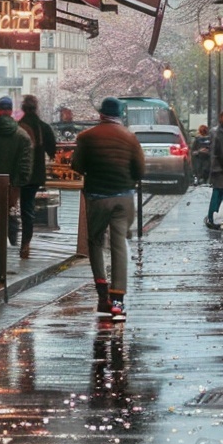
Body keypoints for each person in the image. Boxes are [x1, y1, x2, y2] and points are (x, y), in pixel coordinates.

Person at [72, 97, 144, 321]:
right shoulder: (130, 137)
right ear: (119, 115)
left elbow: (77, 165)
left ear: (101, 114)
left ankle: (102, 293)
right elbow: (140, 171)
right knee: (118, 243)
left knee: (95, 241)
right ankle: (118, 301)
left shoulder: (86, 137)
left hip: (97, 197)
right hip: (123, 197)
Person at [17, 95, 58, 259]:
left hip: (18, 174)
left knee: (12, 206)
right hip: (35, 175)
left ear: (23, 109)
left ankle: (4, 239)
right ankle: (25, 244)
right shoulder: (44, 127)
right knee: (27, 209)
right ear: (36, 108)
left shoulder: (17, 127)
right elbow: (52, 150)